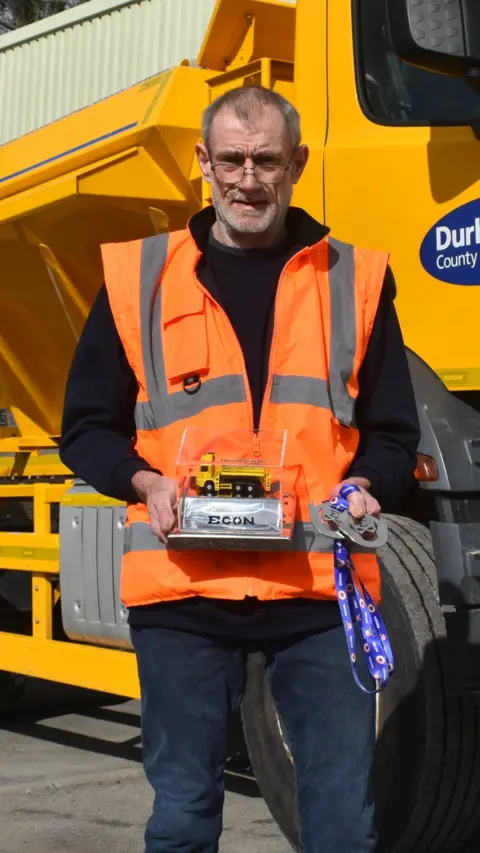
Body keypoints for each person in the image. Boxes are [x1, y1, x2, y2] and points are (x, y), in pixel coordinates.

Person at [60, 86, 420, 853]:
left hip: (317, 590)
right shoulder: (140, 278)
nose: (248, 179)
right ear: (204, 162)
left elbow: (393, 433)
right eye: (231, 160)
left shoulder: (355, 280)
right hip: (183, 591)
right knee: (183, 816)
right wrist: (145, 482)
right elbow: (85, 428)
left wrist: (367, 484)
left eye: (266, 161)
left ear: (298, 163)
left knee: (343, 826)